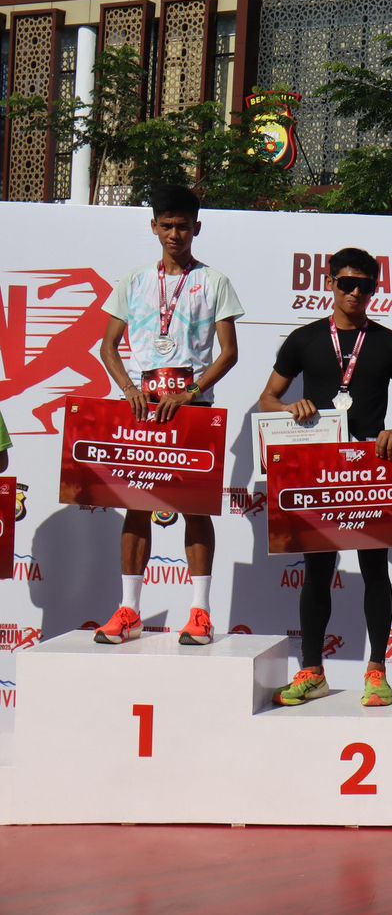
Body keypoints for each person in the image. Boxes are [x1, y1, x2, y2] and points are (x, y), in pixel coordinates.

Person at [258, 247, 392, 708]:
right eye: (346, 283)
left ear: (375, 289)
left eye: (364, 286)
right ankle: (312, 671)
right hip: (319, 468)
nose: (355, 292)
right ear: (330, 284)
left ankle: (377, 671)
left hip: (370, 467)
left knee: (375, 569)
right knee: (317, 572)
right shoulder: (304, 339)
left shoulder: (390, 344)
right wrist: (291, 408)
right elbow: (268, 398)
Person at [94, 185, 243, 647]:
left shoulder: (214, 281)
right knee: (136, 505)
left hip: (193, 409)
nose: (174, 234)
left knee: (195, 509)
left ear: (197, 228)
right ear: (154, 227)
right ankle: (129, 611)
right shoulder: (134, 281)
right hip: (140, 408)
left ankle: (200, 612)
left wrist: (190, 392)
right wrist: (129, 389)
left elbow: (229, 352)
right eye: (166, 225)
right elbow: (107, 346)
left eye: (182, 226)